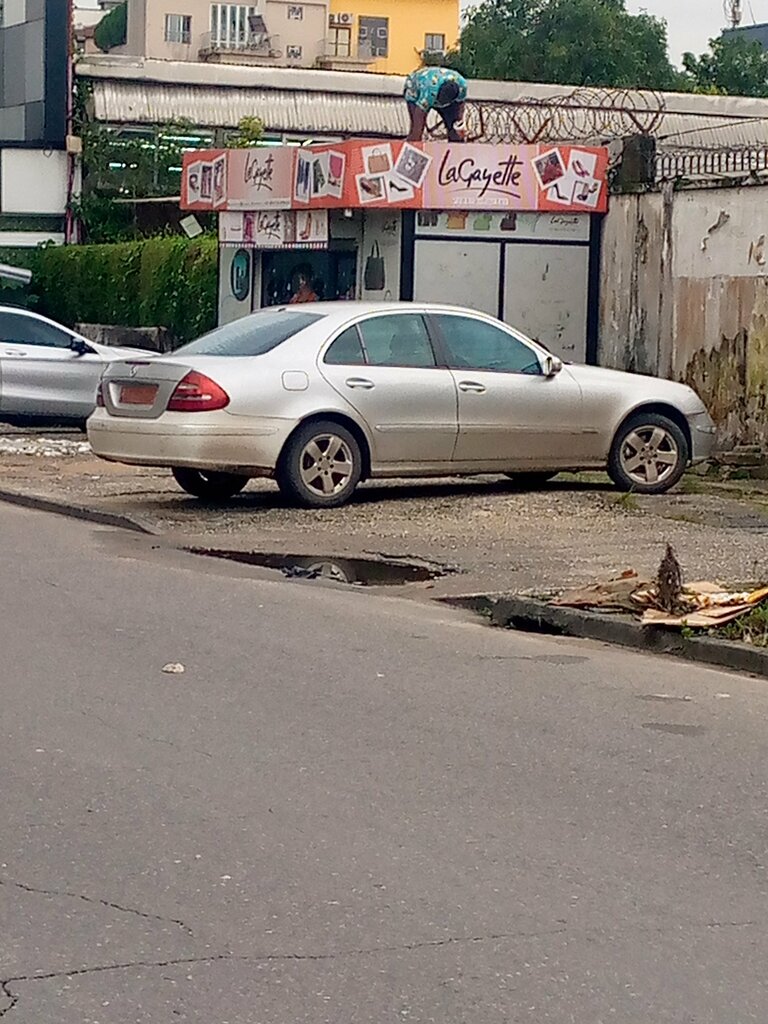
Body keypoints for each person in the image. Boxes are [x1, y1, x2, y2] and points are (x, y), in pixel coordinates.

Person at [403, 66, 468, 143]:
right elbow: (418, 124)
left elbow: (460, 107)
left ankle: (456, 150)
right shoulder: (429, 93)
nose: (441, 105)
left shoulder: (462, 86)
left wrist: (459, 126)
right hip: (415, 86)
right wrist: (415, 141)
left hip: (437, 83)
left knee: (454, 130)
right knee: (416, 128)